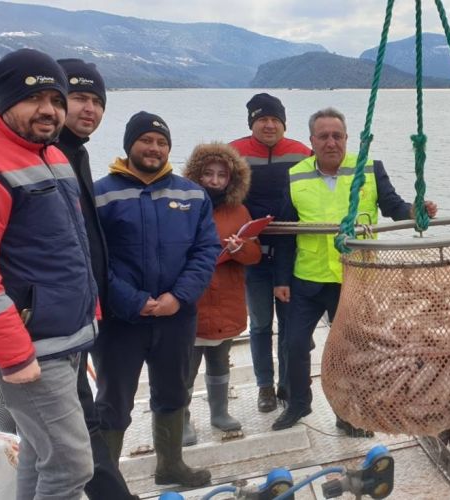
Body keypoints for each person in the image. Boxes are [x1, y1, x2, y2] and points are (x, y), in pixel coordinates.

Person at [0, 47, 96, 500]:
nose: (49, 109)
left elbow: (69, 247)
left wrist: (90, 308)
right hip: (28, 348)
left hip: (60, 335)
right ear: (4, 101)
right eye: (35, 98)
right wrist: (14, 354)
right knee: (70, 465)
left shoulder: (53, 157)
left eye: (57, 99)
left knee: (39, 455)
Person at [272, 107, 438, 435]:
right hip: (308, 277)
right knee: (294, 343)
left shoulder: (369, 169)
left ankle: (346, 415)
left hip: (356, 279)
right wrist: (280, 279)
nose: (331, 142)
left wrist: (414, 210)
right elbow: (287, 232)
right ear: (312, 141)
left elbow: (392, 207)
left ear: (347, 139)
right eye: (324, 136)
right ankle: (299, 403)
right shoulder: (295, 175)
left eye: (337, 136)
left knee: (352, 351)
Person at [92, 111, 221, 487]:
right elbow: (93, 257)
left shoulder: (192, 194)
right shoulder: (100, 194)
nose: (154, 148)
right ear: (129, 144)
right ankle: (108, 481)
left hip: (176, 318)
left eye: (161, 142)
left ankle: (170, 465)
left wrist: (178, 297)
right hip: (121, 320)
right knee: (113, 401)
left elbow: (205, 250)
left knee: (173, 392)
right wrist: (131, 300)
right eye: (146, 140)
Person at [56, 57, 141, 500]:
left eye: (96, 100)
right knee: (81, 426)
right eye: (79, 97)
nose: (89, 108)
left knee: (70, 429)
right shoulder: (48, 153)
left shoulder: (75, 151)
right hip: (52, 322)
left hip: (81, 312)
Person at [230, 93, 312, 413]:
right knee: (261, 324)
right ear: (252, 122)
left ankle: (288, 384)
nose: (268, 125)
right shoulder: (234, 152)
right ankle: (265, 385)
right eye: (262, 119)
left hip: (292, 255)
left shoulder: (302, 154)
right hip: (253, 257)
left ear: (283, 123)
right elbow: (214, 191)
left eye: (275, 119)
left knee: (290, 324)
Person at [180, 143, 261, 445]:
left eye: (221, 175)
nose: (214, 180)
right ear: (195, 175)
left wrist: (241, 249)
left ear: (232, 179)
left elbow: (254, 255)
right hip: (193, 298)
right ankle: (182, 419)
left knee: (219, 360)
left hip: (227, 299)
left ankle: (219, 412)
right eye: (208, 174)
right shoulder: (183, 205)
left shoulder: (240, 210)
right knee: (185, 367)